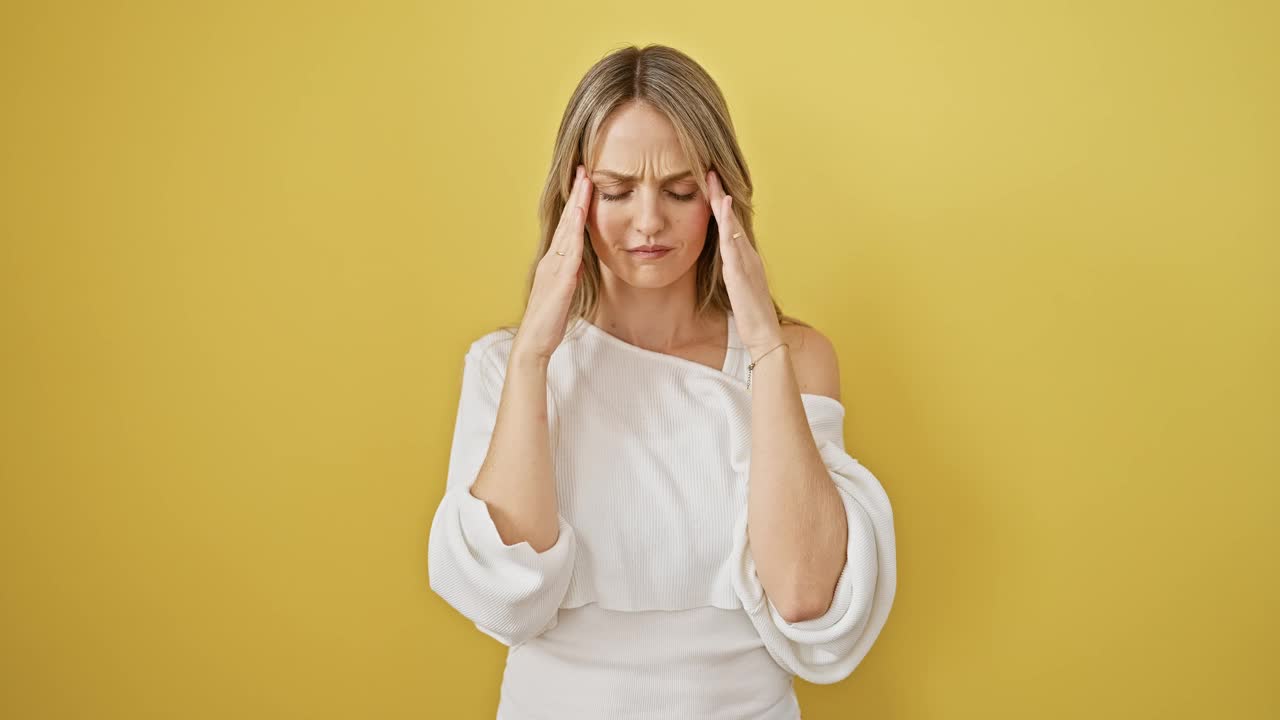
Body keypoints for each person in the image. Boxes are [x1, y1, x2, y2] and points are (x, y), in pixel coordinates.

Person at [428, 44, 897, 719]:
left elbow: (805, 595)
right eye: (617, 191)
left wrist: (762, 342)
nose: (648, 222)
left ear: (719, 195)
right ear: (575, 196)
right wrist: (534, 353)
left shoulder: (794, 357)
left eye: (679, 191)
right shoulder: (506, 365)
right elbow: (509, 595)